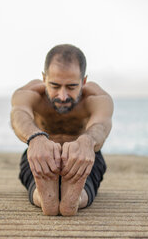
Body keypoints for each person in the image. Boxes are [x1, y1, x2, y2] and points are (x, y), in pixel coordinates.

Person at [10, 44, 113, 216]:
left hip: (83, 155)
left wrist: (87, 142)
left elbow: (101, 125)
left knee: (88, 161)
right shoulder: (29, 93)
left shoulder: (97, 98)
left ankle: (73, 198)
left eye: (72, 86)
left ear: (84, 81)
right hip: (41, 153)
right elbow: (19, 115)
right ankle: (45, 197)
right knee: (36, 160)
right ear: (44, 78)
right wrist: (36, 139)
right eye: (55, 85)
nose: (63, 96)